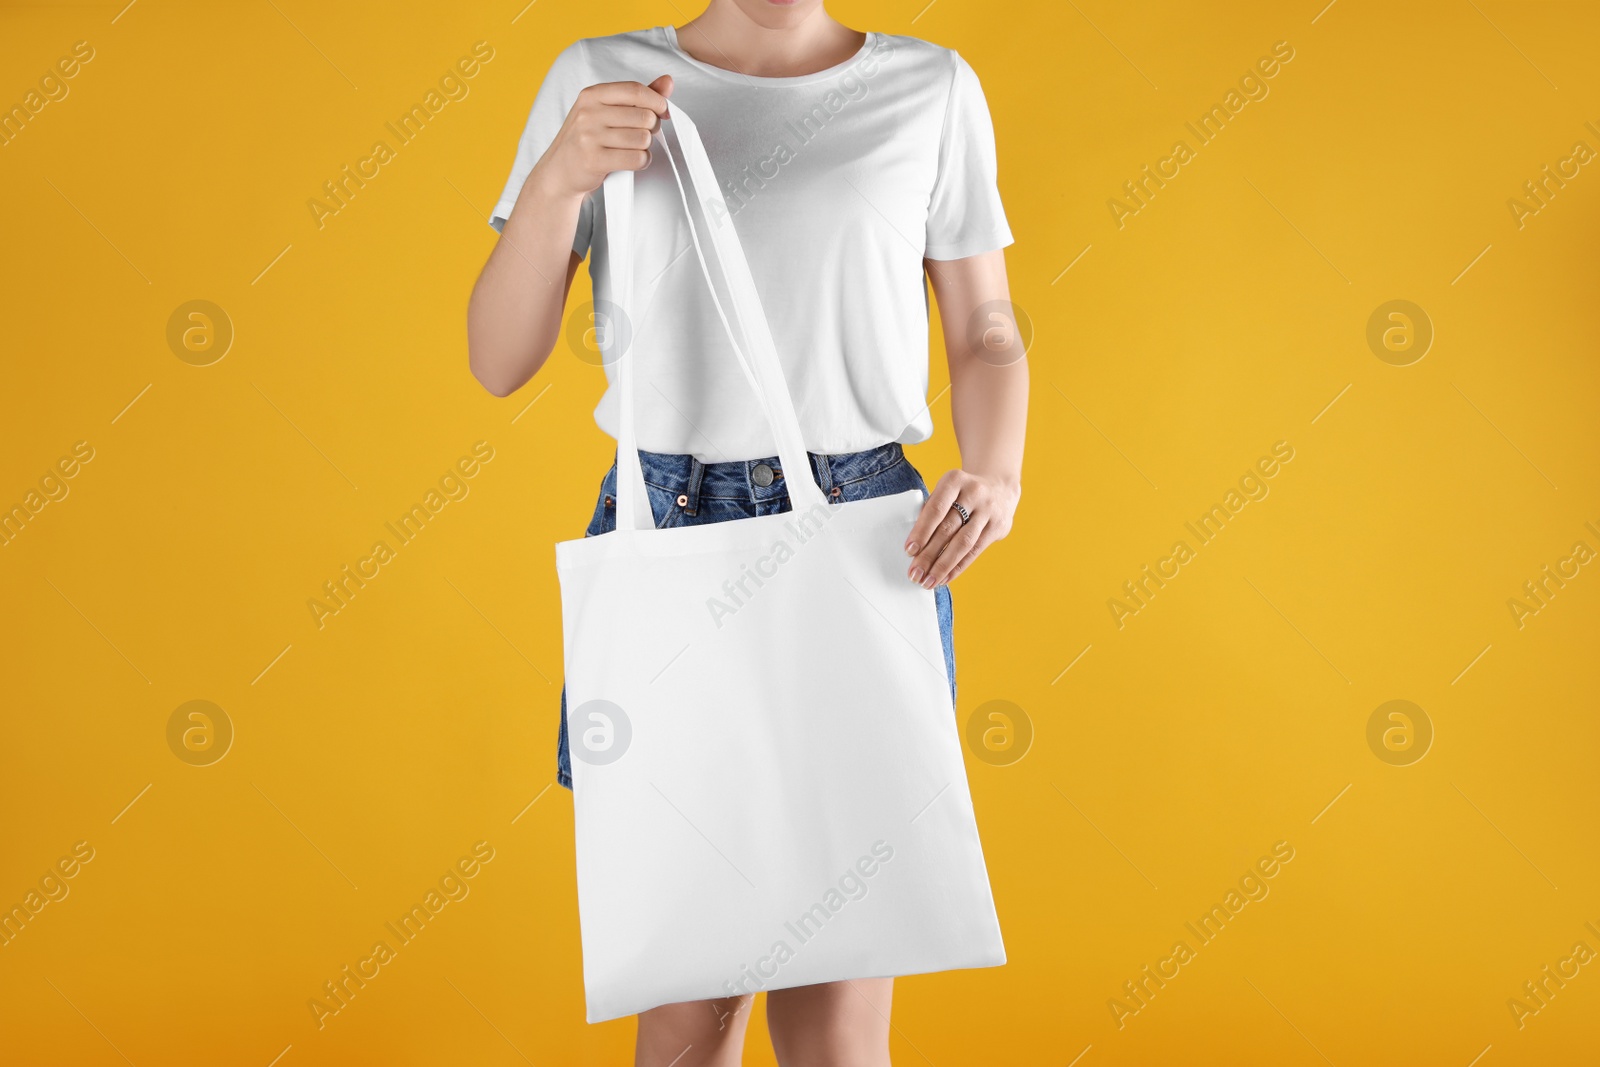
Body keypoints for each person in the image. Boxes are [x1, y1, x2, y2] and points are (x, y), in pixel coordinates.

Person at [467, 0, 1026, 1062]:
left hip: (864, 535)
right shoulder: (601, 75)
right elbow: (497, 359)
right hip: (669, 530)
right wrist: (556, 181)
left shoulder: (931, 86)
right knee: (688, 994)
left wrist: (997, 468)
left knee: (841, 1000)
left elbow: (984, 322)